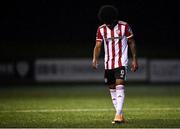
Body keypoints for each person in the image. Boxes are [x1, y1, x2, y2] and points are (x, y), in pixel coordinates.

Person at [92, 5, 138, 124]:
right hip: (108, 63)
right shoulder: (101, 29)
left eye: (109, 22)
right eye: (105, 22)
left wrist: (134, 59)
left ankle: (117, 114)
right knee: (112, 88)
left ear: (113, 18)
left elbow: (131, 42)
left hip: (121, 61)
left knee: (120, 84)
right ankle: (120, 115)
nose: (107, 24)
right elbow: (98, 45)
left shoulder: (124, 26)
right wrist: (95, 59)